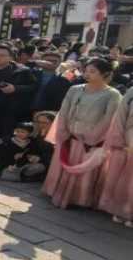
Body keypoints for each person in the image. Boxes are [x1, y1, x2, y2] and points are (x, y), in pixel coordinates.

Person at [43, 58, 121, 209]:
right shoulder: (75, 89)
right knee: (65, 163)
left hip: (91, 140)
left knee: (83, 168)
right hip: (70, 135)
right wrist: (63, 131)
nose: (87, 74)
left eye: (92, 71)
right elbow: (64, 111)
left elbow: (109, 119)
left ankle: (79, 198)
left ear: (105, 74)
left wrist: (92, 137)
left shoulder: (113, 94)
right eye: (86, 70)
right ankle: (56, 191)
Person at [100, 86, 133, 226]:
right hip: (129, 139)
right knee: (125, 179)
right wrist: (118, 139)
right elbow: (120, 115)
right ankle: (122, 210)